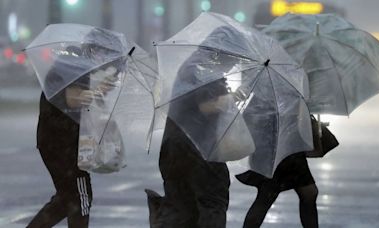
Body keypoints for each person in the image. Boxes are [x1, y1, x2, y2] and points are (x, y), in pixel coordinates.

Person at [146, 26, 248, 228]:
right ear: (223, 52)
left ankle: (164, 218)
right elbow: (206, 106)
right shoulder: (204, 70)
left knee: (183, 207)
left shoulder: (196, 65)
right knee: (213, 202)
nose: (235, 63)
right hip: (197, 147)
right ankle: (163, 218)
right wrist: (232, 98)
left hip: (175, 147)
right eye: (234, 58)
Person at [28, 28, 124, 228]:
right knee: (81, 197)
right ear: (97, 50)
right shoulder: (73, 65)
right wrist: (98, 90)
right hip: (61, 142)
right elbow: (73, 100)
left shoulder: (77, 62)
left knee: (66, 199)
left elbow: (78, 99)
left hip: (55, 140)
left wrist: (101, 89)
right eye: (106, 55)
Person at [235, 116, 328, 228]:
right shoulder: (267, 100)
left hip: (290, 148)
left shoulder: (292, 99)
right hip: (275, 148)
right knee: (266, 196)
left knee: (308, 193)